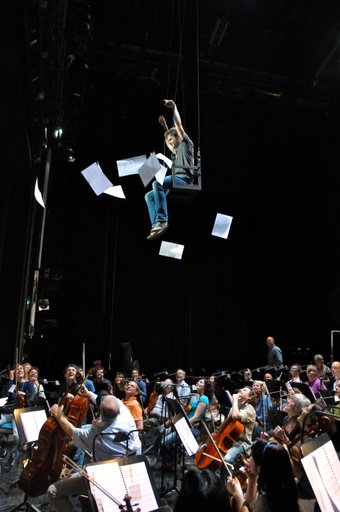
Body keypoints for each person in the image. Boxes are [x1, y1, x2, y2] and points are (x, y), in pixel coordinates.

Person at [47, 394, 141, 512]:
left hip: (102, 477)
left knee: (53, 491)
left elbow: (71, 431)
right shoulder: (126, 418)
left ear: (100, 411)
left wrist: (59, 416)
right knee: (76, 475)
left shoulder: (96, 435)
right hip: (127, 471)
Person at [145, 99, 194, 241]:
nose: (171, 143)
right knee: (148, 196)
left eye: (173, 139)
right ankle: (156, 225)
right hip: (177, 179)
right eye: (169, 141)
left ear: (179, 137)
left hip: (184, 180)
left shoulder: (186, 144)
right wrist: (165, 126)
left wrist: (174, 107)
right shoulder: (176, 150)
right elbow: (168, 138)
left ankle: (162, 220)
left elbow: (178, 125)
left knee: (157, 183)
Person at [227, 438, 300, 512]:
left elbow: (248, 507)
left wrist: (237, 494)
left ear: (260, 468)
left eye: (252, 456)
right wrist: (252, 480)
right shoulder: (284, 484)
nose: (250, 458)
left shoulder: (266, 504)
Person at [222, 386, 256, 469]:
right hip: (228, 440)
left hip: (242, 443)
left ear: (248, 397)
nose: (240, 389)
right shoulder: (234, 407)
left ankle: (227, 482)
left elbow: (236, 416)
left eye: (244, 390)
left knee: (226, 460)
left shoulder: (250, 410)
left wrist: (235, 400)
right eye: (241, 389)